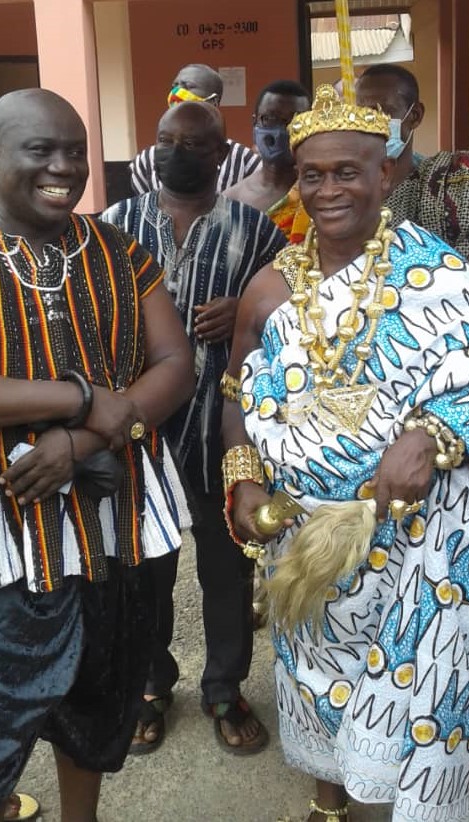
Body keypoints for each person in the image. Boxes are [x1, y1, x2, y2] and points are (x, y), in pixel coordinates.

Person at [221, 84, 469, 822]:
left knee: (424, 689)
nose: (329, 190)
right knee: (313, 673)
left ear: (386, 173)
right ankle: (330, 799)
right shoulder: (268, 289)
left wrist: (431, 434)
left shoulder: (440, 275)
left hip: (421, 534)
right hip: (309, 536)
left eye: (348, 172)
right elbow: (233, 393)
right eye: (313, 174)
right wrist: (242, 480)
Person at [0, 88, 194, 821]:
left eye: (76, 152)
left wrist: (78, 441)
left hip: (111, 525)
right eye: (41, 150)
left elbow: (174, 364)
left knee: (98, 702)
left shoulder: (117, 250)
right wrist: (78, 399)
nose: (64, 167)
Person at [101, 100, 287, 756]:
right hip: (139, 434)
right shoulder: (115, 224)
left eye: (192, 142)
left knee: (226, 568)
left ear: (221, 153)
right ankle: (152, 686)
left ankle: (224, 688)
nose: (175, 151)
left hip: (219, 428)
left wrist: (244, 309)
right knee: (145, 568)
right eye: (164, 139)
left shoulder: (257, 230)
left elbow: (291, 305)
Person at [353, 63, 469, 316]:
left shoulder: (450, 186)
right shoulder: (344, 194)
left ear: (415, 115)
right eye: (363, 113)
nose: (373, 122)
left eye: (385, 111)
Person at [130, 63, 260, 195]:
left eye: (188, 87)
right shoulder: (145, 161)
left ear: (213, 102)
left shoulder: (245, 161)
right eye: (174, 86)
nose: (176, 92)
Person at [225, 80, 310, 237]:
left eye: (295, 121)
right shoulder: (232, 201)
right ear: (254, 122)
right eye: (270, 119)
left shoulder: (321, 193)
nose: (282, 130)